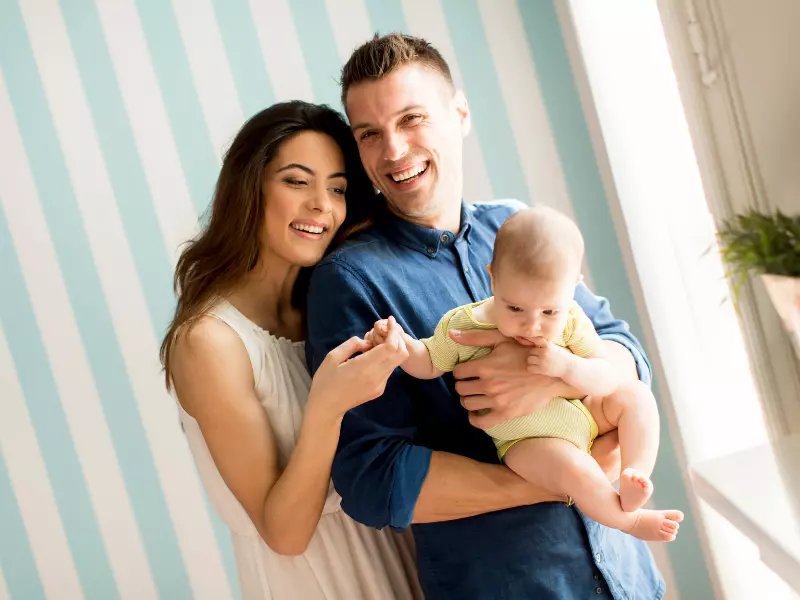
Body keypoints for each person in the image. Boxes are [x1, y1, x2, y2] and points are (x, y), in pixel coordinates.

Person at [306, 33, 668, 599]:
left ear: (460, 114)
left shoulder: (518, 224)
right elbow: (372, 477)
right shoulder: (350, 282)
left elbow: (624, 347)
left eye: (412, 119)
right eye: (370, 134)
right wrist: (557, 478)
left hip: (628, 578)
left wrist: (556, 374)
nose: (395, 150)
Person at [160, 101, 422, 600]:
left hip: (406, 562)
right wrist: (327, 406)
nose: (322, 204)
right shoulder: (209, 343)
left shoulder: (331, 313)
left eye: (338, 188)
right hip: (318, 582)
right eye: (297, 181)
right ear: (250, 189)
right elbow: (284, 532)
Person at [365, 205, 683, 542]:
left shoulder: (572, 318)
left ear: (573, 288)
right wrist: (400, 346)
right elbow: (428, 362)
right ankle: (630, 522)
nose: (532, 325)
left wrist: (566, 366)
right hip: (529, 443)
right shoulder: (464, 324)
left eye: (549, 311)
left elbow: (608, 376)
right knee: (577, 471)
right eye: (515, 308)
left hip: (586, 414)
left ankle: (636, 474)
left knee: (636, 396)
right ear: (493, 277)